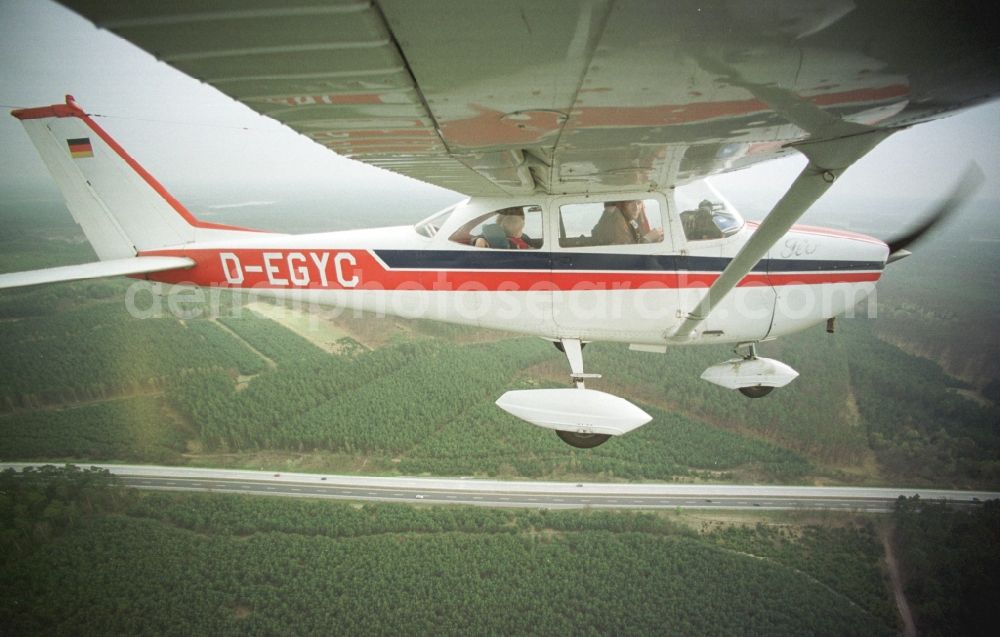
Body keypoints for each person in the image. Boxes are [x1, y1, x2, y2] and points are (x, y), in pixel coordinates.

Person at [591, 200, 664, 245]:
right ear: (623, 206)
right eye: (630, 202)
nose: (636, 208)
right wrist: (648, 238)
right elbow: (626, 251)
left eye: (638, 203)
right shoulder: (616, 223)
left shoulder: (632, 222)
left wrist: (655, 239)